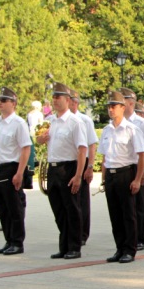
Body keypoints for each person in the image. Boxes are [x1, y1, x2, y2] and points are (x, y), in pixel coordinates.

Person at [39, 81, 88, 260]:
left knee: (72, 209)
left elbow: (82, 149)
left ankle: (74, 246)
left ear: (68, 100)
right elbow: (38, 141)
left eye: (58, 97)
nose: (55, 100)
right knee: (59, 210)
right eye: (53, 97)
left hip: (68, 167)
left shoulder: (75, 122)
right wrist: (41, 139)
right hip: (53, 168)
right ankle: (64, 245)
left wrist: (78, 175)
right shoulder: (50, 121)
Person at [98, 90, 144, 263]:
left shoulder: (132, 129)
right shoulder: (106, 130)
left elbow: (142, 155)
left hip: (126, 173)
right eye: (109, 106)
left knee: (128, 214)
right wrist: (103, 178)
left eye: (114, 106)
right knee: (115, 214)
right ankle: (119, 248)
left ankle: (129, 249)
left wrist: (138, 179)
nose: (110, 110)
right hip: (111, 174)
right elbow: (104, 157)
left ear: (122, 107)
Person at [0, 87, 32, 256]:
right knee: (2, 207)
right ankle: (8, 240)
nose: (0, 103)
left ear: (13, 103)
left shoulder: (18, 123)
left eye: (4, 100)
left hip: (10, 168)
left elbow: (25, 148)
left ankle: (17, 242)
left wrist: (20, 173)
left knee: (14, 207)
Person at [120, 88, 144, 250]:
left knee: (140, 205)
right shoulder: (116, 122)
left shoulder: (141, 123)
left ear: (130, 103)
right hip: (123, 167)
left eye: (121, 102)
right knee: (127, 206)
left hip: (138, 166)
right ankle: (128, 237)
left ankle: (141, 237)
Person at [67, 88, 97, 246]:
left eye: (72, 101)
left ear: (75, 103)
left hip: (82, 162)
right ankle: (70, 232)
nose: (70, 103)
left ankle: (83, 233)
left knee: (82, 200)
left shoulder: (85, 120)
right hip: (68, 162)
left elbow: (91, 145)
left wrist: (90, 166)